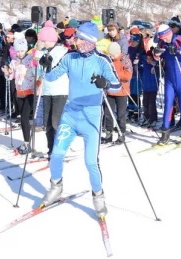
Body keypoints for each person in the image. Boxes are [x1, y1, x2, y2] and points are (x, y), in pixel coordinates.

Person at [38, 22, 121, 218]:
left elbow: (117, 87)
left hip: (91, 116)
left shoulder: (102, 61)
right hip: (71, 114)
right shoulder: (70, 57)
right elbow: (51, 77)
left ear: (92, 42)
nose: (78, 43)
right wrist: (46, 67)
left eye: (82, 40)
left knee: (90, 161)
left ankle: (98, 197)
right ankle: (56, 186)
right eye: (78, 39)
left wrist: (106, 83)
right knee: (56, 154)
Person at [153, 24, 181, 145]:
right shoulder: (162, 43)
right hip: (169, 79)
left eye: (164, 37)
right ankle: (165, 133)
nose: (163, 40)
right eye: (161, 38)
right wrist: (156, 54)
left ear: (168, 33)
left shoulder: (180, 39)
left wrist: (179, 51)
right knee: (168, 105)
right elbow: (157, 58)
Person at [36, 23, 69, 158]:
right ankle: (51, 148)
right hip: (48, 91)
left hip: (60, 91)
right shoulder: (45, 52)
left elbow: (60, 69)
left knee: (56, 123)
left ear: (50, 40)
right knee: (48, 123)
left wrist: (49, 64)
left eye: (43, 40)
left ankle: (59, 149)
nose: (41, 42)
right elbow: (41, 70)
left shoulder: (61, 51)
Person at [3, 34, 35, 154]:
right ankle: (26, 140)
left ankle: (27, 142)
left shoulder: (31, 58)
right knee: (22, 117)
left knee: (25, 118)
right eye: (17, 51)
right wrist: (7, 72)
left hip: (30, 92)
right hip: (19, 91)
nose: (20, 53)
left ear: (26, 49)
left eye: (22, 51)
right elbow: (11, 76)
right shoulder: (14, 61)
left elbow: (36, 71)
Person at [102, 42, 132, 145]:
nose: (111, 56)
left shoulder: (125, 59)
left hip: (122, 91)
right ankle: (108, 134)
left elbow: (128, 75)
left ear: (118, 52)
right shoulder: (108, 60)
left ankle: (121, 134)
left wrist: (115, 74)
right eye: (110, 54)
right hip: (110, 90)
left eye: (113, 54)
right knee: (108, 113)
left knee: (121, 114)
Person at [141, 48, 159, 128]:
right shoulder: (144, 64)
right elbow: (139, 70)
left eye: (150, 58)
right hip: (145, 87)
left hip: (153, 88)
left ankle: (153, 118)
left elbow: (160, 71)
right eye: (147, 58)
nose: (149, 60)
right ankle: (146, 117)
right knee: (145, 103)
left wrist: (155, 67)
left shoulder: (155, 65)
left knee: (151, 103)